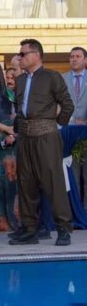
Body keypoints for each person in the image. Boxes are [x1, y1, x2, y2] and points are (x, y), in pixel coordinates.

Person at [10, 39, 74, 246]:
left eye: (23, 54)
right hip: (25, 138)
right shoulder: (20, 80)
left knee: (53, 183)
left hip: (47, 137)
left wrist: (56, 125)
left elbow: (67, 105)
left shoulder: (52, 77)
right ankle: (29, 229)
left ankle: (63, 229)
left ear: (36, 55)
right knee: (25, 184)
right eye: (19, 54)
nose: (20, 57)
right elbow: (19, 107)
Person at [0, 66, 18, 233]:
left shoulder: (14, 95)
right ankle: (1, 221)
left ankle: (15, 220)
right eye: (7, 77)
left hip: (14, 145)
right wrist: (7, 130)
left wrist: (13, 133)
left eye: (12, 77)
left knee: (13, 184)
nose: (9, 80)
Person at [63, 46, 87, 203]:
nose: (74, 59)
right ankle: (75, 209)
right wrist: (71, 120)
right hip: (69, 133)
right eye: (72, 56)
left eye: (78, 56)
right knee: (73, 174)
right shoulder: (62, 79)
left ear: (85, 60)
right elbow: (58, 105)